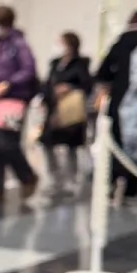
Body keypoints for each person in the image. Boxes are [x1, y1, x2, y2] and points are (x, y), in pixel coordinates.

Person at [0, 5, 39, 204]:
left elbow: (28, 70)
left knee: (6, 143)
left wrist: (8, 83)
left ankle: (27, 176)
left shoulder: (18, 44)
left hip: (12, 100)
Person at [95, 10, 137, 199]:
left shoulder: (120, 43)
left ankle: (111, 182)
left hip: (119, 99)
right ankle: (132, 187)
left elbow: (102, 73)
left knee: (115, 141)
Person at [40, 31, 93, 196]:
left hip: (71, 110)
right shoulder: (55, 64)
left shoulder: (80, 64)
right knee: (47, 143)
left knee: (71, 145)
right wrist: (45, 98)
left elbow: (87, 84)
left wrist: (70, 87)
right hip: (54, 108)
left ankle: (71, 180)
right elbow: (48, 83)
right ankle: (55, 178)